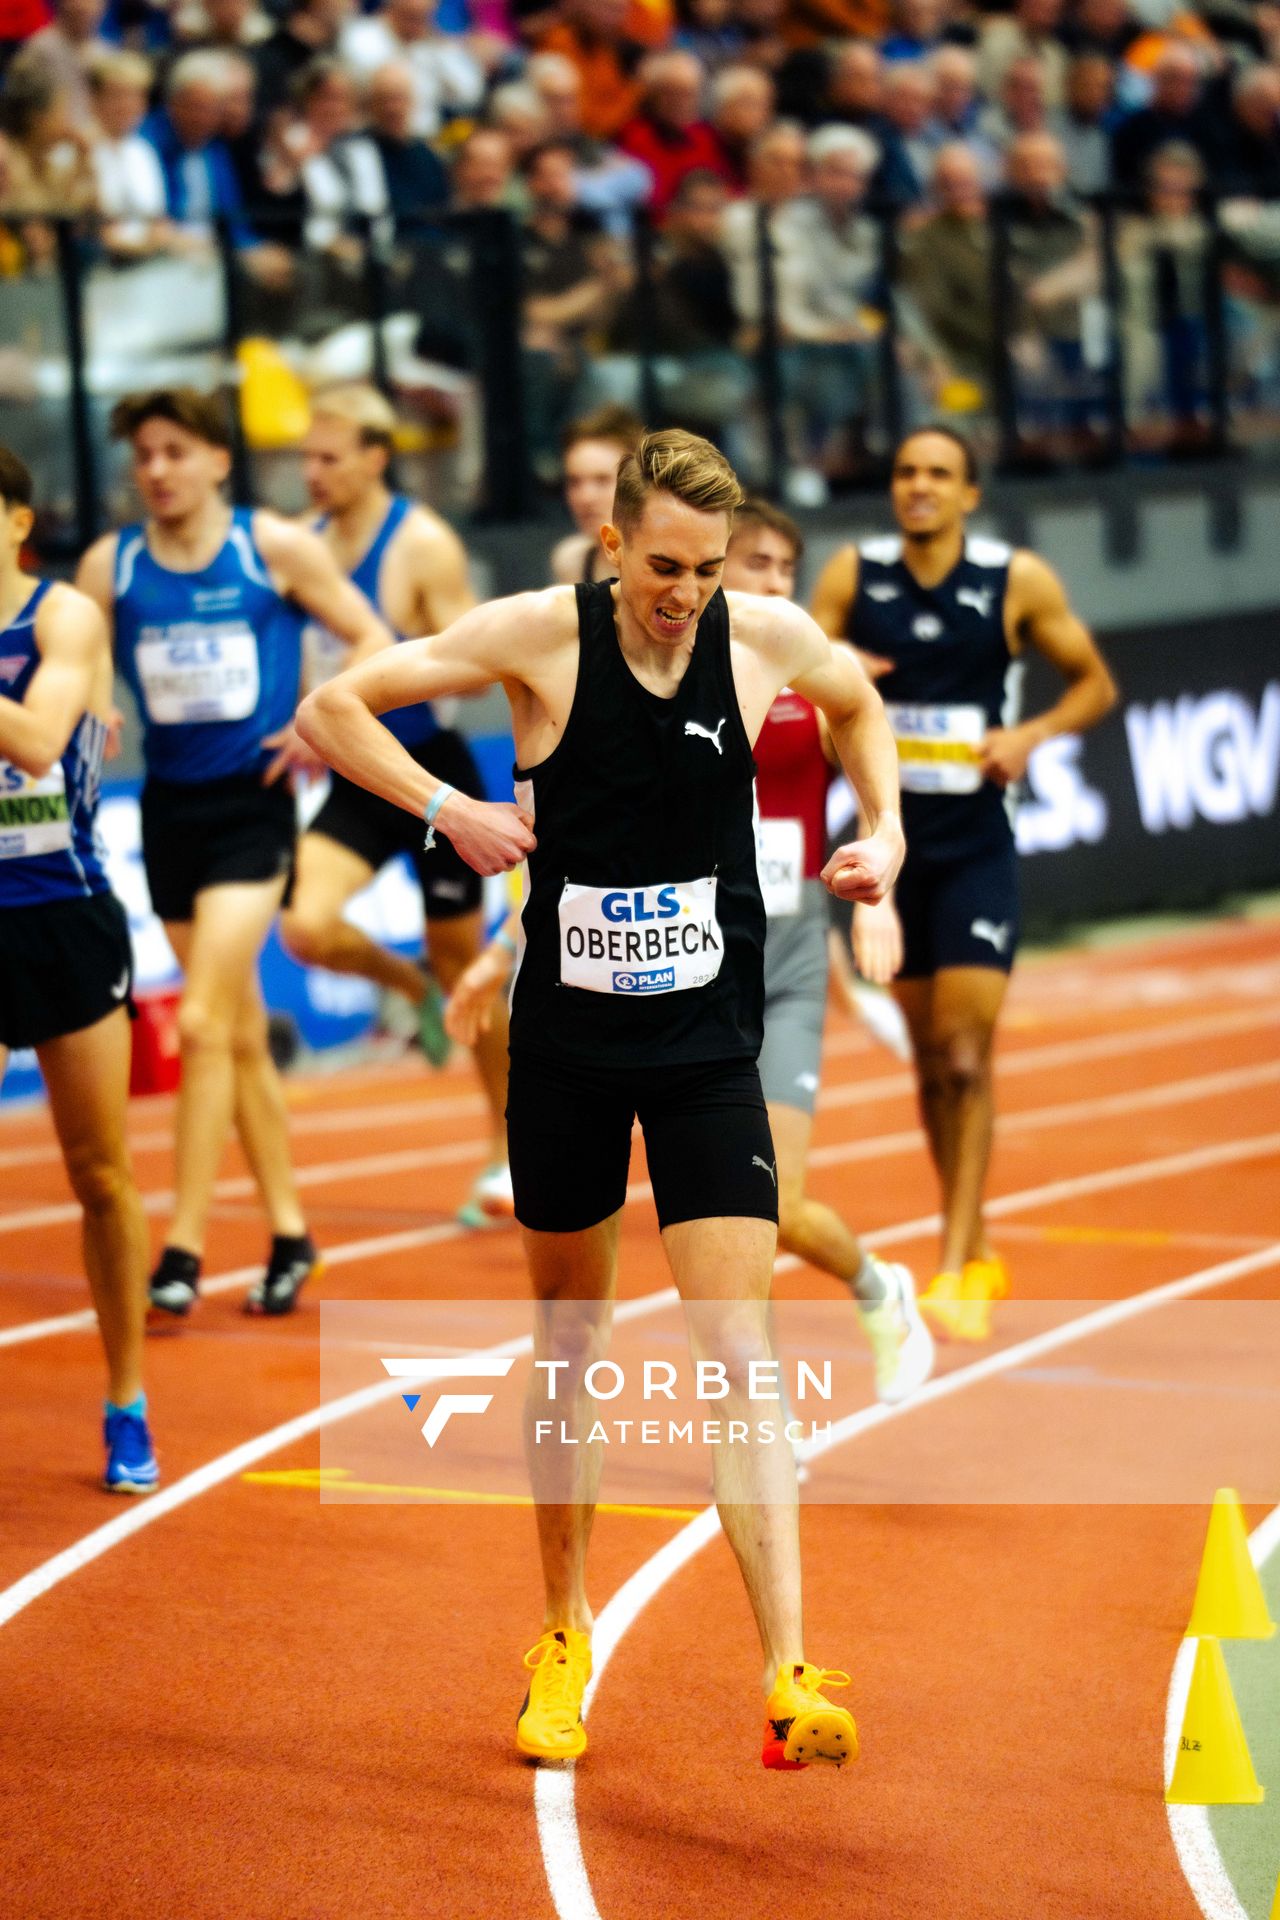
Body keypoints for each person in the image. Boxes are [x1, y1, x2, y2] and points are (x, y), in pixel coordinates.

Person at [297, 428, 905, 1772]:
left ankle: (787, 1672)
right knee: (569, 1341)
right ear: (615, 540)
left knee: (738, 1349)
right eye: (664, 565)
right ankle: (564, 1632)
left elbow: (860, 708)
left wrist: (891, 837)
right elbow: (337, 707)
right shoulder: (540, 635)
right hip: (566, 1052)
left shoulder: (760, 637)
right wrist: (448, 804)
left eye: (706, 567)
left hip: (704, 1054)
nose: (684, 592)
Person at [451, 495, 931, 1402]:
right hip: (695, 949)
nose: (765, 586)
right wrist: (499, 947)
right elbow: (580, 836)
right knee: (750, 1217)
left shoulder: (789, 663)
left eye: (783, 571)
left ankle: (825, 1340)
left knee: (769, 1198)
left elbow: (868, 755)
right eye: (749, 565)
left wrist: (882, 880)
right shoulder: (681, 658)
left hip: (781, 949)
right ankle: (836, 1324)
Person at [76, 387, 392, 1322]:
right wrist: (95, 697)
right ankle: (292, 1232)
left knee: (207, 1024)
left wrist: (319, 725)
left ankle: (182, 1245)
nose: (158, 471)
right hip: (169, 812)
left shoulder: (272, 548)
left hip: (254, 811)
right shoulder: (114, 561)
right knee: (243, 1037)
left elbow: (372, 635)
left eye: (175, 451)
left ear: (219, 460)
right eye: (144, 455)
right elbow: (81, 646)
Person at [810, 425, 1117, 1341]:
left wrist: (1029, 737)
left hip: (978, 842)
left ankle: (956, 1260)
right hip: (891, 848)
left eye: (939, 474)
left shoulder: (1015, 579)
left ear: (970, 493)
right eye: (905, 472)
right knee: (929, 1064)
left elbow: (1094, 685)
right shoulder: (850, 575)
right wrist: (836, 676)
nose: (918, 486)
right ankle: (972, 1237)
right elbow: (789, 668)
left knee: (963, 1054)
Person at [280, 382, 513, 1224]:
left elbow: (485, 654)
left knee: (466, 969)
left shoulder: (422, 543)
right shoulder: (298, 547)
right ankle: (401, 984)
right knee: (305, 925)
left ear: (377, 457)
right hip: (354, 773)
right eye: (305, 457)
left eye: (328, 458)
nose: (311, 473)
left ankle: (507, 1147)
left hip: (432, 777)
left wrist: (390, 673)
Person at [0, 446, 157, 1493]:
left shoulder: (61, 620)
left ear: (15, 519)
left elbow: (40, 744)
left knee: (99, 1175)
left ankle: (127, 1398)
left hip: (64, 915)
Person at [549, 404, 644, 586]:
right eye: (574, 481)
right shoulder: (571, 562)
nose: (586, 497)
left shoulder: (676, 561)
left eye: (602, 480)